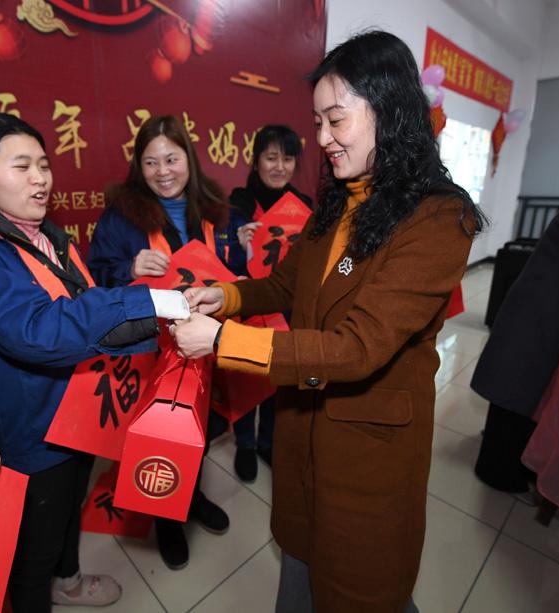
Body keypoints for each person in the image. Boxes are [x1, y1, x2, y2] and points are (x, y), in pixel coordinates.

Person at [171, 31, 485, 613]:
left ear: (388, 111)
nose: (321, 139)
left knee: (362, 584)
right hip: (304, 425)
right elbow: (286, 284)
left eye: (335, 120)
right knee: (301, 560)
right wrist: (226, 296)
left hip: (368, 446)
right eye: (317, 122)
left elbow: (357, 347)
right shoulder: (339, 202)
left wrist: (222, 340)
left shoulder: (439, 218)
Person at [0, 113, 183, 612]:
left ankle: (69, 580)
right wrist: (148, 304)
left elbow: (87, 307)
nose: (40, 179)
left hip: (82, 412)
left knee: (70, 507)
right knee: (35, 546)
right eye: (21, 167)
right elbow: (38, 331)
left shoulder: (50, 237)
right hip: (34, 430)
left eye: (43, 165)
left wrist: (153, 314)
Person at [87, 115, 246, 571]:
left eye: (172, 159)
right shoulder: (121, 217)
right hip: (154, 352)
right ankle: (167, 521)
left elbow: (234, 271)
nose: (163, 172)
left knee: (204, 429)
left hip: (209, 344)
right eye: (151, 162)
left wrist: (244, 254)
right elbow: (93, 279)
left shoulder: (216, 208)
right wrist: (128, 269)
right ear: (138, 166)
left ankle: (191, 498)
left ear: (189, 160)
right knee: (162, 439)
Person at [471, 200, 559, 493]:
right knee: (518, 384)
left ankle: (512, 459)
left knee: (522, 385)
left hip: (550, 303)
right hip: (545, 306)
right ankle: (498, 469)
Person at [229, 124, 313, 482]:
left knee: (277, 376)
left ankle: (267, 441)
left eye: (288, 159)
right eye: (271, 158)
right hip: (249, 304)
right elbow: (222, 264)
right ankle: (245, 444)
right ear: (256, 161)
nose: (280, 167)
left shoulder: (304, 206)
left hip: (287, 306)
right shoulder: (238, 203)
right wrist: (237, 244)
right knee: (246, 373)